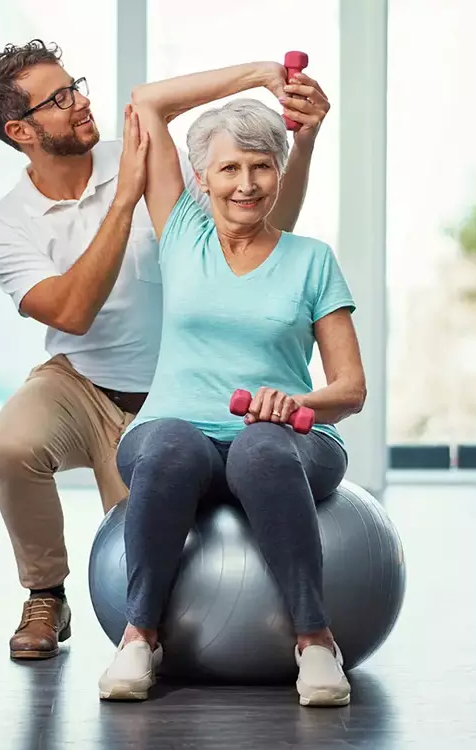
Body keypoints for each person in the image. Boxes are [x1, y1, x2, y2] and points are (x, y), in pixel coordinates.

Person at [0, 40, 332, 660]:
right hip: (80, 379)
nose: (80, 102)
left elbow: (264, 221)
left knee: (162, 545)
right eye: (57, 100)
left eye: (74, 85)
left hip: (172, 396)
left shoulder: (142, 158)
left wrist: (265, 81)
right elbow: (70, 312)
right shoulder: (4, 223)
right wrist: (122, 200)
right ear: (20, 130)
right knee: (14, 443)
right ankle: (45, 595)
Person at [96, 62, 366, 707]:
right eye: (229, 168)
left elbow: (350, 388)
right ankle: (140, 636)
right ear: (202, 179)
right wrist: (259, 76)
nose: (246, 184)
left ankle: (315, 642)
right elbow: (147, 101)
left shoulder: (311, 259)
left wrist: (294, 402)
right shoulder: (183, 232)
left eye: (261, 166)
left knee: (260, 447)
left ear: (280, 171)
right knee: (167, 447)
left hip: (289, 441)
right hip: (176, 430)